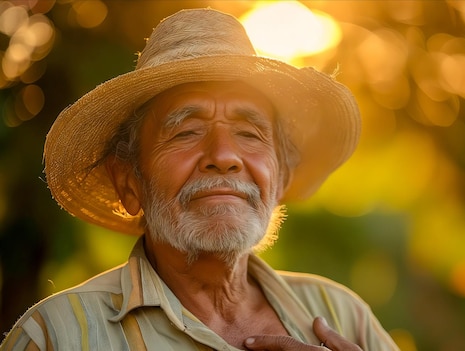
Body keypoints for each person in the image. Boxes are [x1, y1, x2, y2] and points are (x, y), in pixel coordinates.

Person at [0, 8, 399, 351]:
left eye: (249, 133)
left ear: (280, 179)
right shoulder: (56, 336)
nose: (223, 156)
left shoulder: (343, 317)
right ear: (128, 182)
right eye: (186, 131)